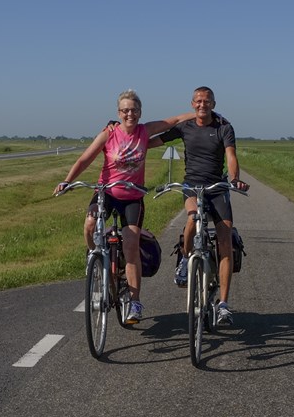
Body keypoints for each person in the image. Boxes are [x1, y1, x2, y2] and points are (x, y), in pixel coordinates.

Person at [54, 90, 193, 325]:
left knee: (131, 245)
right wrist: (67, 180)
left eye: (134, 109)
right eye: (125, 110)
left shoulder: (145, 131)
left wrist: (204, 113)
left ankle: (135, 301)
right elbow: (85, 159)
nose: (130, 113)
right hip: (105, 193)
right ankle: (94, 257)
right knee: (89, 225)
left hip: (132, 197)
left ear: (140, 112)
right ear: (119, 113)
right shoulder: (109, 134)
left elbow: (175, 120)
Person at [152, 86, 249, 326]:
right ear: (192, 103)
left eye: (206, 101)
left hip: (217, 188)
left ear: (213, 104)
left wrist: (234, 177)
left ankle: (224, 304)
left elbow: (231, 155)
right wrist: (126, 138)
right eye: (198, 101)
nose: (202, 104)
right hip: (192, 186)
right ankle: (186, 260)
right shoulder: (184, 127)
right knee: (193, 219)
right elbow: (156, 139)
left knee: (225, 240)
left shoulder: (224, 127)